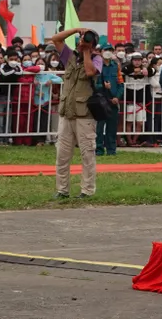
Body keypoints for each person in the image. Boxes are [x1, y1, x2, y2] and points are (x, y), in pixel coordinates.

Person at [52, 27, 102, 199]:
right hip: (66, 113)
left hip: (85, 115)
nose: (83, 42)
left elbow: (89, 72)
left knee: (87, 154)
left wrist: (87, 52)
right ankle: (62, 190)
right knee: (62, 155)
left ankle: (87, 190)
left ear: (94, 45)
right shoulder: (69, 57)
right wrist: (76, 30)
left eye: (87, 40)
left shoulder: (97, 59)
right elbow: (56, 39)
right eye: (82, 40)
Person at [96, 45, 124, 156]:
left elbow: (121, 84)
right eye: (106, 50)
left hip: (113, 100)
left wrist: (117, 97)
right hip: (101, 100)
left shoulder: (116, 66)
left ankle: (111, 150)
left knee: (112, 127)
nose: (108, 52)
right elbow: (93, 84)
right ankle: (99, 150)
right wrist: (103, 86)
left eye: (110, 50)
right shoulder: (97, 66)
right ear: (101, 52)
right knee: (99, 127)